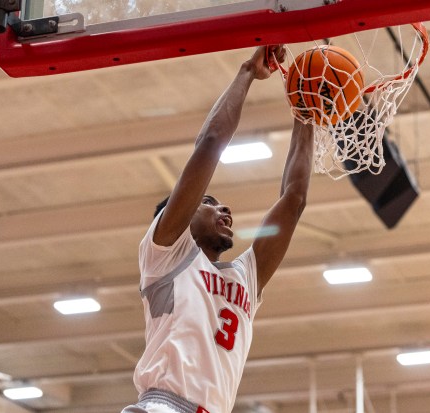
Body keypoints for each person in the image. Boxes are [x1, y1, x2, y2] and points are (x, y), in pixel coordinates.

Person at [121, 45, 315, 413]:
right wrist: (247, 72)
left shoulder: (246, 277)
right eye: (207, 202)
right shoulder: (165, 254)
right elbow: (210, 145)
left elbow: (294, 199)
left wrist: (304, 112)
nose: (222, 207)